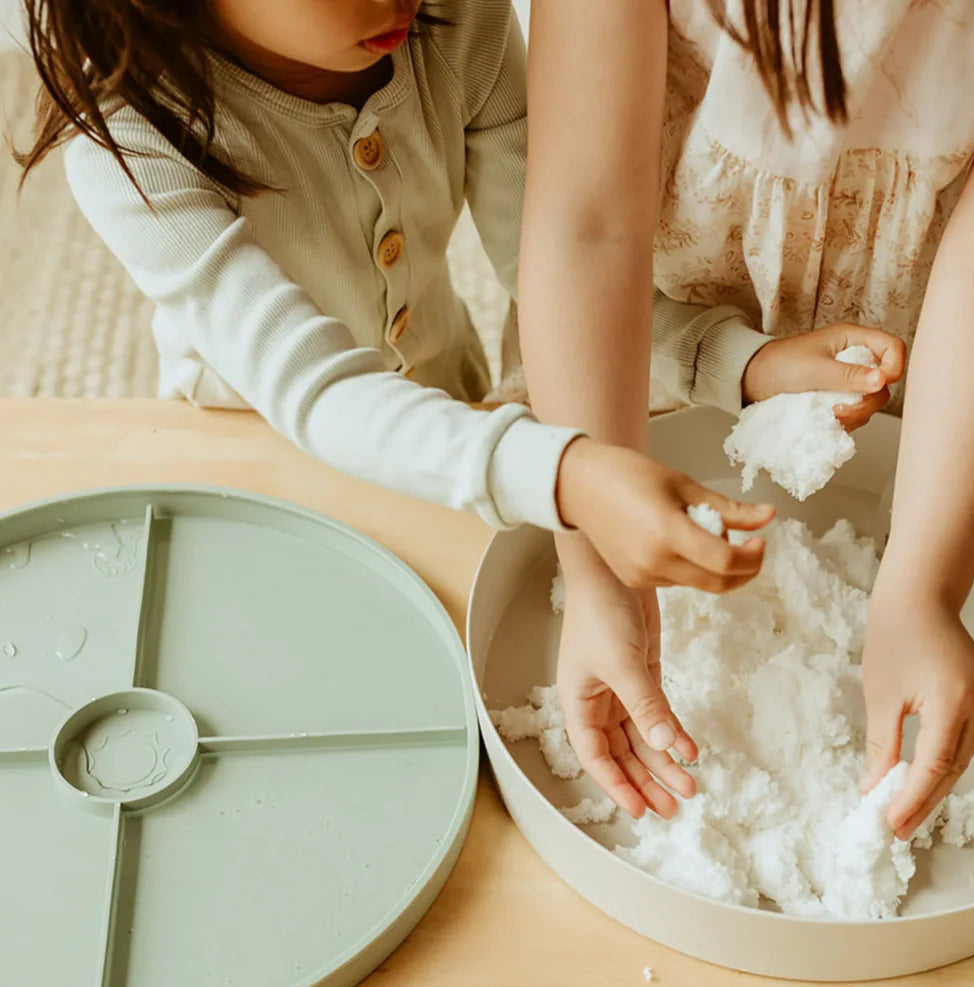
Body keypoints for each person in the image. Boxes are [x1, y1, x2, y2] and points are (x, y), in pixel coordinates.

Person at [519, 0, 974, 829]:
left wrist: (922, 589)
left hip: (911, 349)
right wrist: (595, 571)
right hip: (623, 344)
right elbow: (586, 229)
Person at [13, 0, 891, 586]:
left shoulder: (452, 23)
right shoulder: (130, 137)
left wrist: (742, 364)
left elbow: (561, 276)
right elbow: (317, 393)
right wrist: (565, 473)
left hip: (445, 389)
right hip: (253, 449)